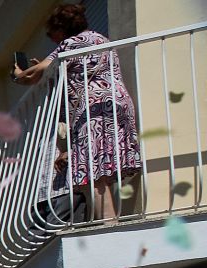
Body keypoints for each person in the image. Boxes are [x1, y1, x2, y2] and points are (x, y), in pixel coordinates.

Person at [14, 3, 141, 223]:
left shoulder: (69, 44)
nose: (50, 37)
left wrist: (18, 73)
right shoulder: (101, 39)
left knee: (91, 174)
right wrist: (41, 70)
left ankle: (109, 224)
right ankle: (109, 221)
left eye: (51, 32)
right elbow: (46, 71)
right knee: (103, 167)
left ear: (60, 29)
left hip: (92, 110)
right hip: (117, 104)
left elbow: (37, 73)